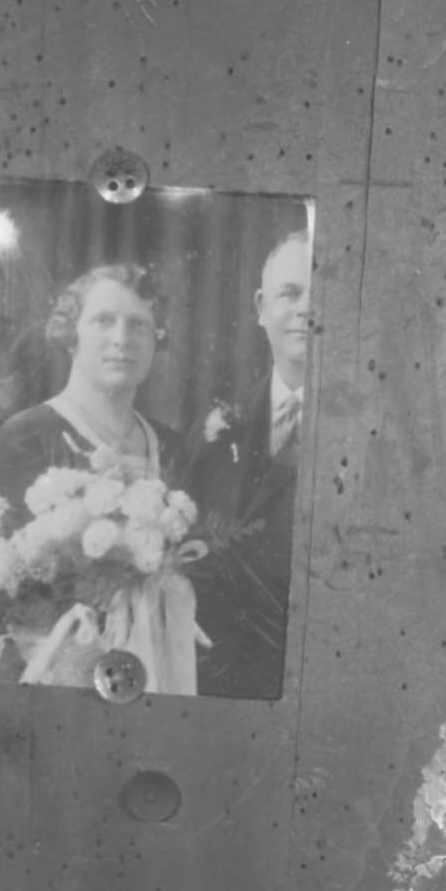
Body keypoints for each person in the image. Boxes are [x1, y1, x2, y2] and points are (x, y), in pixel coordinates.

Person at [0, 264, 178, 680]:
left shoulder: (170, 444)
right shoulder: (26, 435)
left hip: (158, 662)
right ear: (70, 334)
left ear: (156, 339)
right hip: (55, 666)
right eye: (103, 321)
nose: (122, 339)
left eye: (139, 325)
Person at [176, 230, 309, 700]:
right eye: (290, 293)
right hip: (211, 675)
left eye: (323, 295)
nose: (307, 310)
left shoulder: (372, 434)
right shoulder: (214, 427)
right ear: (260, 307)